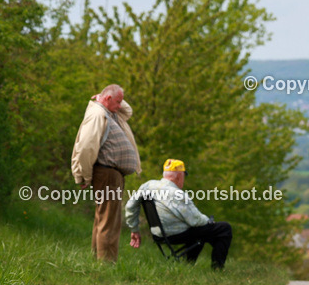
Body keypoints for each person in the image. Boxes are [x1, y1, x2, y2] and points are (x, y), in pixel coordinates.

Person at [71, 84, 142, 262]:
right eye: (118, 101)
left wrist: (109, 98)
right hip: (107, 173)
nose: (121, 105)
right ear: (108, 99)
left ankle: (98, 262)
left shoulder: (111, 113)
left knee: (104, 219)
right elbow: (86, 146)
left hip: (112, 174)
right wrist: (83, 175)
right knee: (109, 222)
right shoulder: (98, 114)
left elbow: (128, 111)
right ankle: (106, 264)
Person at [125, 159, 233, 269]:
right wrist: (209, 221)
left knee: (201, 231)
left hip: (158, 234)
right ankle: (217, 268)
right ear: (179, 176)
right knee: (223, 228)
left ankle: (188, 266)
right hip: (174, 234)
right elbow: (196, 220)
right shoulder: (177, 194)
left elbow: (130, 206)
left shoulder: (148, 186)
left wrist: (134, 229)